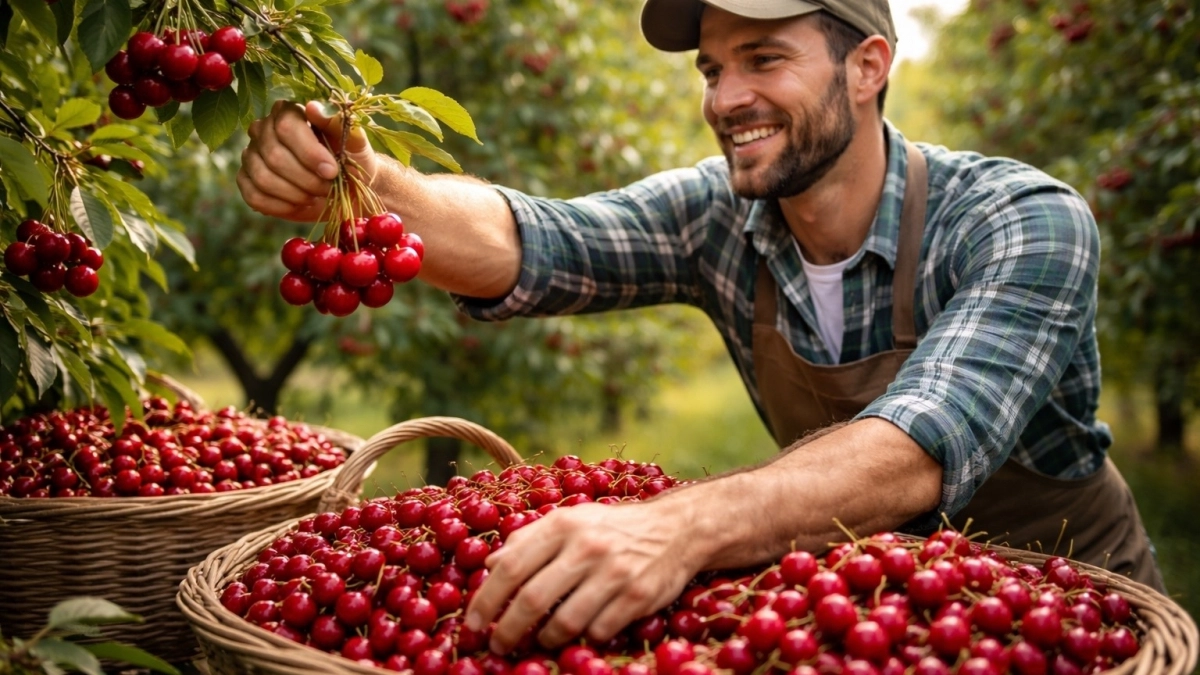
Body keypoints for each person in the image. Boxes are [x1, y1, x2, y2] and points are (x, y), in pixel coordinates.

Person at [237, 0, 1167, 655]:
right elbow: (531, 240)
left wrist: (675, 527)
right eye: (714, 70)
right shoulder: (717, 215)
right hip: (862, 615)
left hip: (1061, 612)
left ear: (869, 65)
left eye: (764, 59)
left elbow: (919, 442)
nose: (726, 99)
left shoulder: (1022, 220)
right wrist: (364, 181)